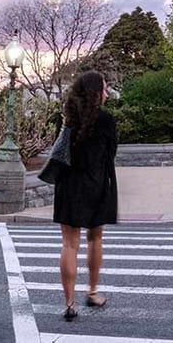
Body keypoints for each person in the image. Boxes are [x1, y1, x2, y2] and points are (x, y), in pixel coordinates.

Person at [53, 71, 118, 322]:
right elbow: (111, 153)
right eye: (104, 88)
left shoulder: (67, 119)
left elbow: (59, 152)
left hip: (68, 185)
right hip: (96, 184)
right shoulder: (106, 120)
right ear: (96, 93)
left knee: (69, 244)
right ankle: (92, 291)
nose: (107, 93)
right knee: (95, 238)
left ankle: (69, 303)